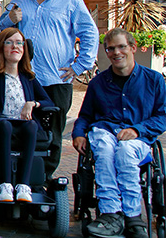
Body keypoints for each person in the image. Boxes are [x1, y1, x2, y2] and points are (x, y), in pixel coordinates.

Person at [0, 0, 98, 177]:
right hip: (24, 80)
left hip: (57, 80)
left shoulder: (71, 3)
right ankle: (22, 175)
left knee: (53, 133)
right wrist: (9, 19)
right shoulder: (19, 1)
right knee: (22, 128)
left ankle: (43, 178)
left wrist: (80, 65)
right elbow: (1, 32)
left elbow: (89, 33)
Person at [72, 28, 166, 238]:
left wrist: (136, 129)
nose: (116, 52)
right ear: (106, 53)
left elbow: (162, 116)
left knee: (125, 152)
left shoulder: (154, 80)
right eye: (111, 48)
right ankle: (110, 214)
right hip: (105, 132)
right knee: (104, 148)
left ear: (133, 48)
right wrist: (78, 133)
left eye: (121, 46)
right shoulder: (98, 83)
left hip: (138, 138)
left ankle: (132, 216)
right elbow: (85, 115)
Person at [0, 28, 54, 203]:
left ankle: (24, 185)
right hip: (1, 122)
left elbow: (49, 102)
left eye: (19, 43)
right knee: (5, 125)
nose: (15, 47)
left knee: (32, 125)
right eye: (9, 42)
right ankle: (5, 184)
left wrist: (33, 103)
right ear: (1, 48)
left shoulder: (29, 78)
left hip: (24, 124)